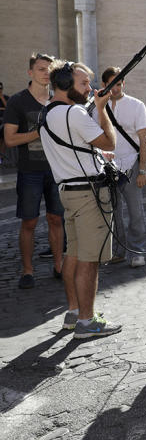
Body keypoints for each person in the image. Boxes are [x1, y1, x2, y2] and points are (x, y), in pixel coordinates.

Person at [39, 60, 120, 338]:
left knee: (72, 254)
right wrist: (101, 109)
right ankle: (87, 321)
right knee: (90, 259)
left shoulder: (47, 113)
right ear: (63, 85)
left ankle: (74, 312)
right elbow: (110, 142)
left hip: (69, 192)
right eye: (83, 83)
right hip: (88, 193)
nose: (90, 89)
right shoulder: (74, 113)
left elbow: (75, 148)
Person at [3, 52, 64, 290]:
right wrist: (39, 132)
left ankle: (59, 265)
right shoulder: (18, 101)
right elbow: (9, 139)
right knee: (29, 222)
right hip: (30, 171)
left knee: (56, 219)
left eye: (49, 69)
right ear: (30, 72)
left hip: (57, 170)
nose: (46, 73)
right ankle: (27, 270)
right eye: (41, 69)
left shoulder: (58, 100)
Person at [98, 66, 146, 268]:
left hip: (132, 164)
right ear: (104, 85)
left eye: (119, 84)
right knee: (113, 212)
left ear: (123, 84)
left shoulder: (137, 106)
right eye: (112, 84)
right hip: (107, 167)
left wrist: (142, 170)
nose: (116, 88)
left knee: (136, 211)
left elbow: (144, 139)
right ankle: (118, 251)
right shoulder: (97, 107)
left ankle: (138, 250)